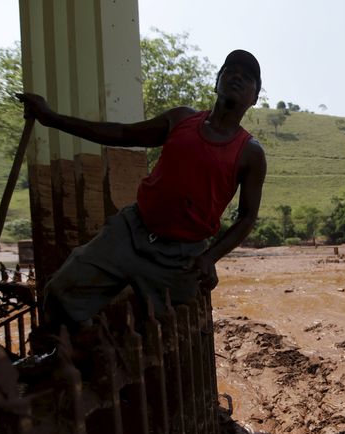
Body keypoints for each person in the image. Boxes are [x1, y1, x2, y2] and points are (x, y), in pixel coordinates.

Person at [17, 49, 266, 334]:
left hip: (181, 256)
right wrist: (52, 119)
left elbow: (247, 217)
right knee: (61, 294)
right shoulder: (181, 119)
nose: (237, 77)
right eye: (230, 70)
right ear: (216, 81)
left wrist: (210, 257)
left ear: (254, 98)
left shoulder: (250, 153)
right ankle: (69, 361)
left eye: (247, 78)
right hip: (130, 230)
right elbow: (123, 133)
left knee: (180, 332)